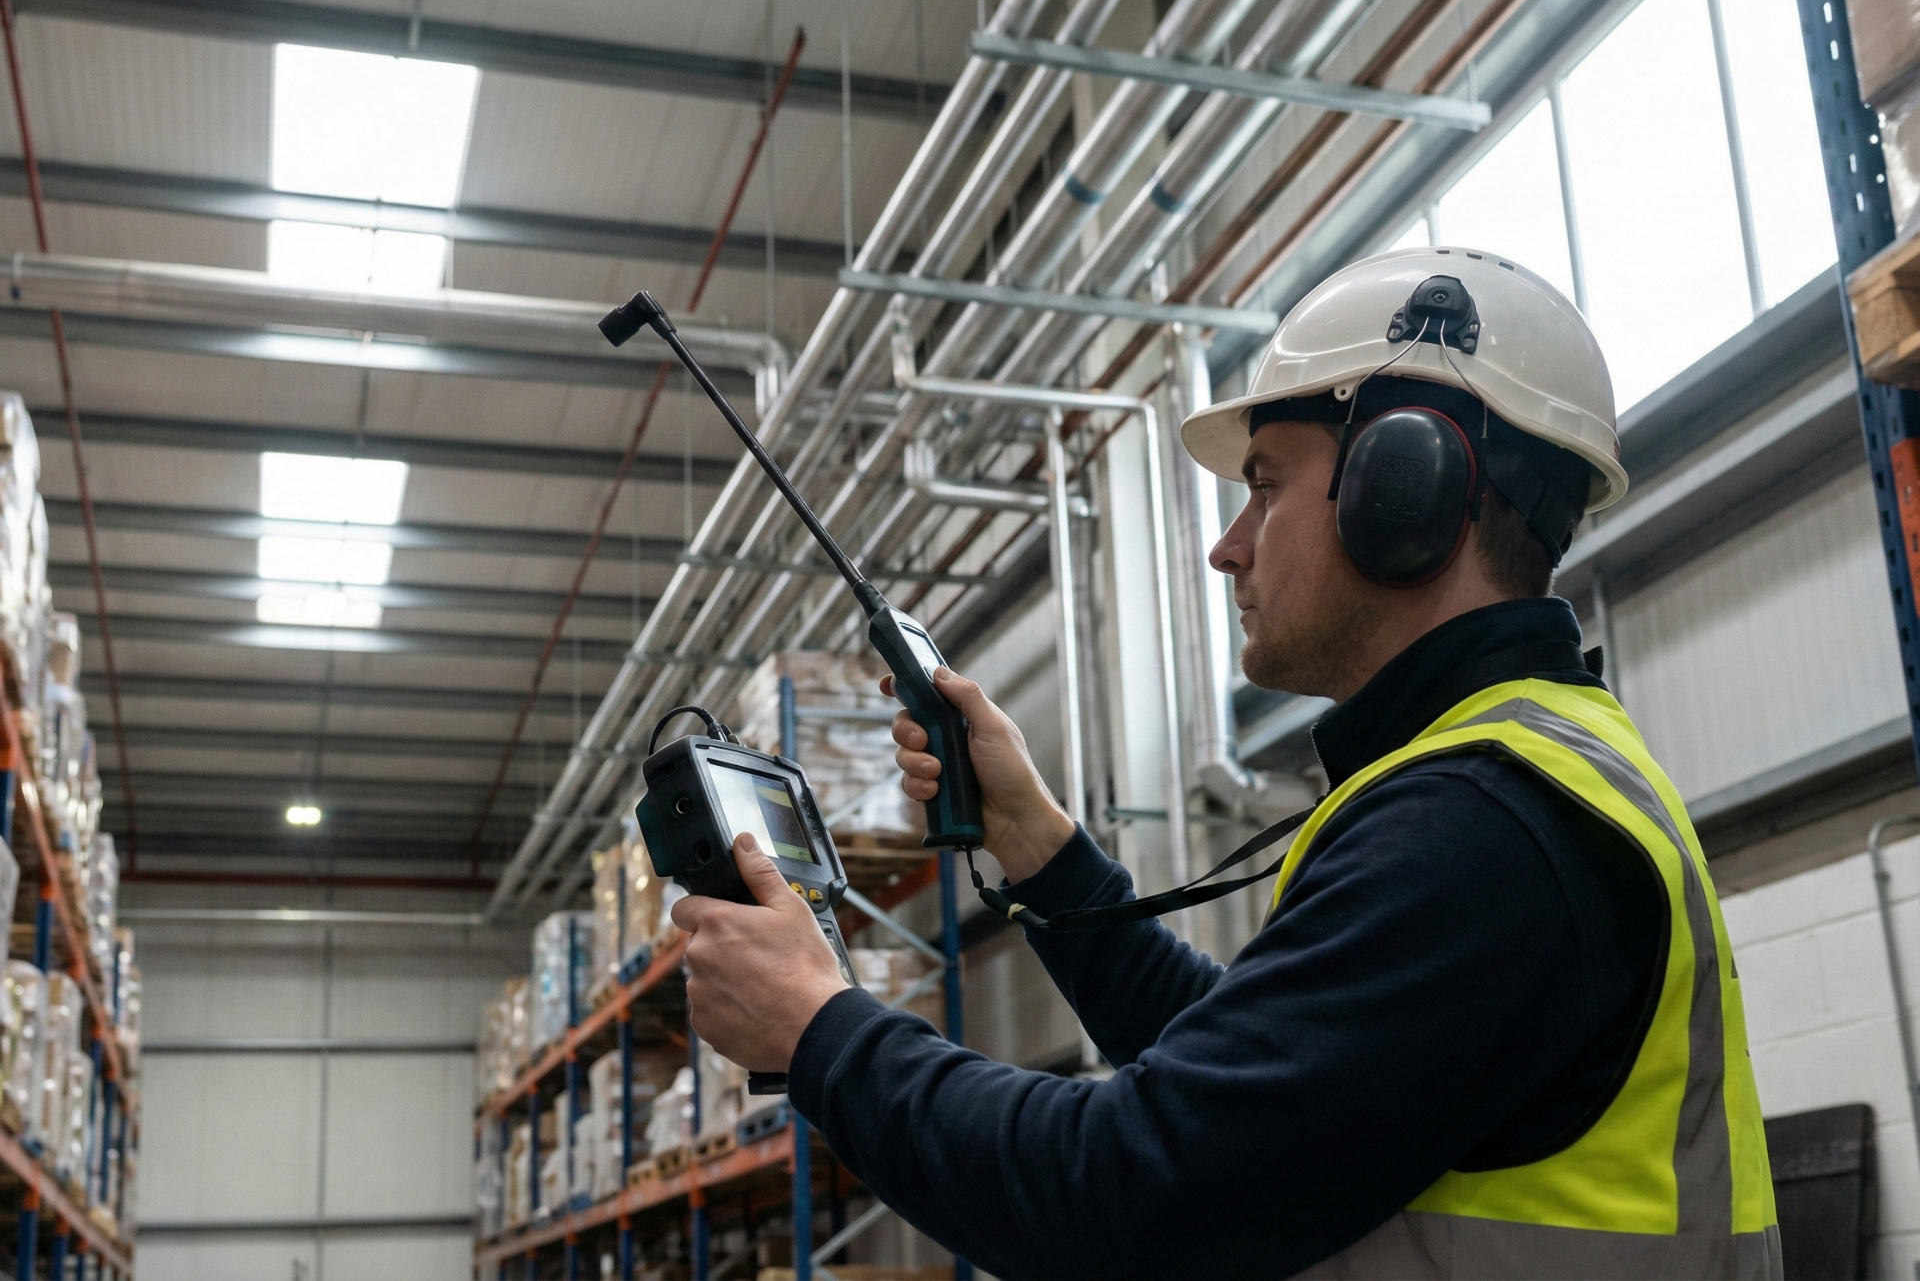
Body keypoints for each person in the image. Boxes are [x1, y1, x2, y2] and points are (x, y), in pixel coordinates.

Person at [669, 248, 1780, 1280]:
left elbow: (1125, 1190)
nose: (1227, 544)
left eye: (1265, 484)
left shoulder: (1483, 827)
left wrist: (819, 1028)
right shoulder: (1513, 774)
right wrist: (1040, 847)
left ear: (1406, 491)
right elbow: (1245, 1080)